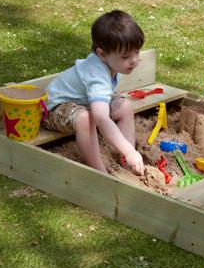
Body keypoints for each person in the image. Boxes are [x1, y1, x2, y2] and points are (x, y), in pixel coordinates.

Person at [43, 10, 145, 175]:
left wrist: (129, 152)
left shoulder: (111, 62)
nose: (134, 60)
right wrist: (130, 151)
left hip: (84, 103)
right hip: (53, 109)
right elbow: (101, 118)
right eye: (126, 56)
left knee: (124, 106)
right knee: (87, 118)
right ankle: (99, 171)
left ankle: (128, 164)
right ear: (102, 54)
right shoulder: (96, 75)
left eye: (137, 52)